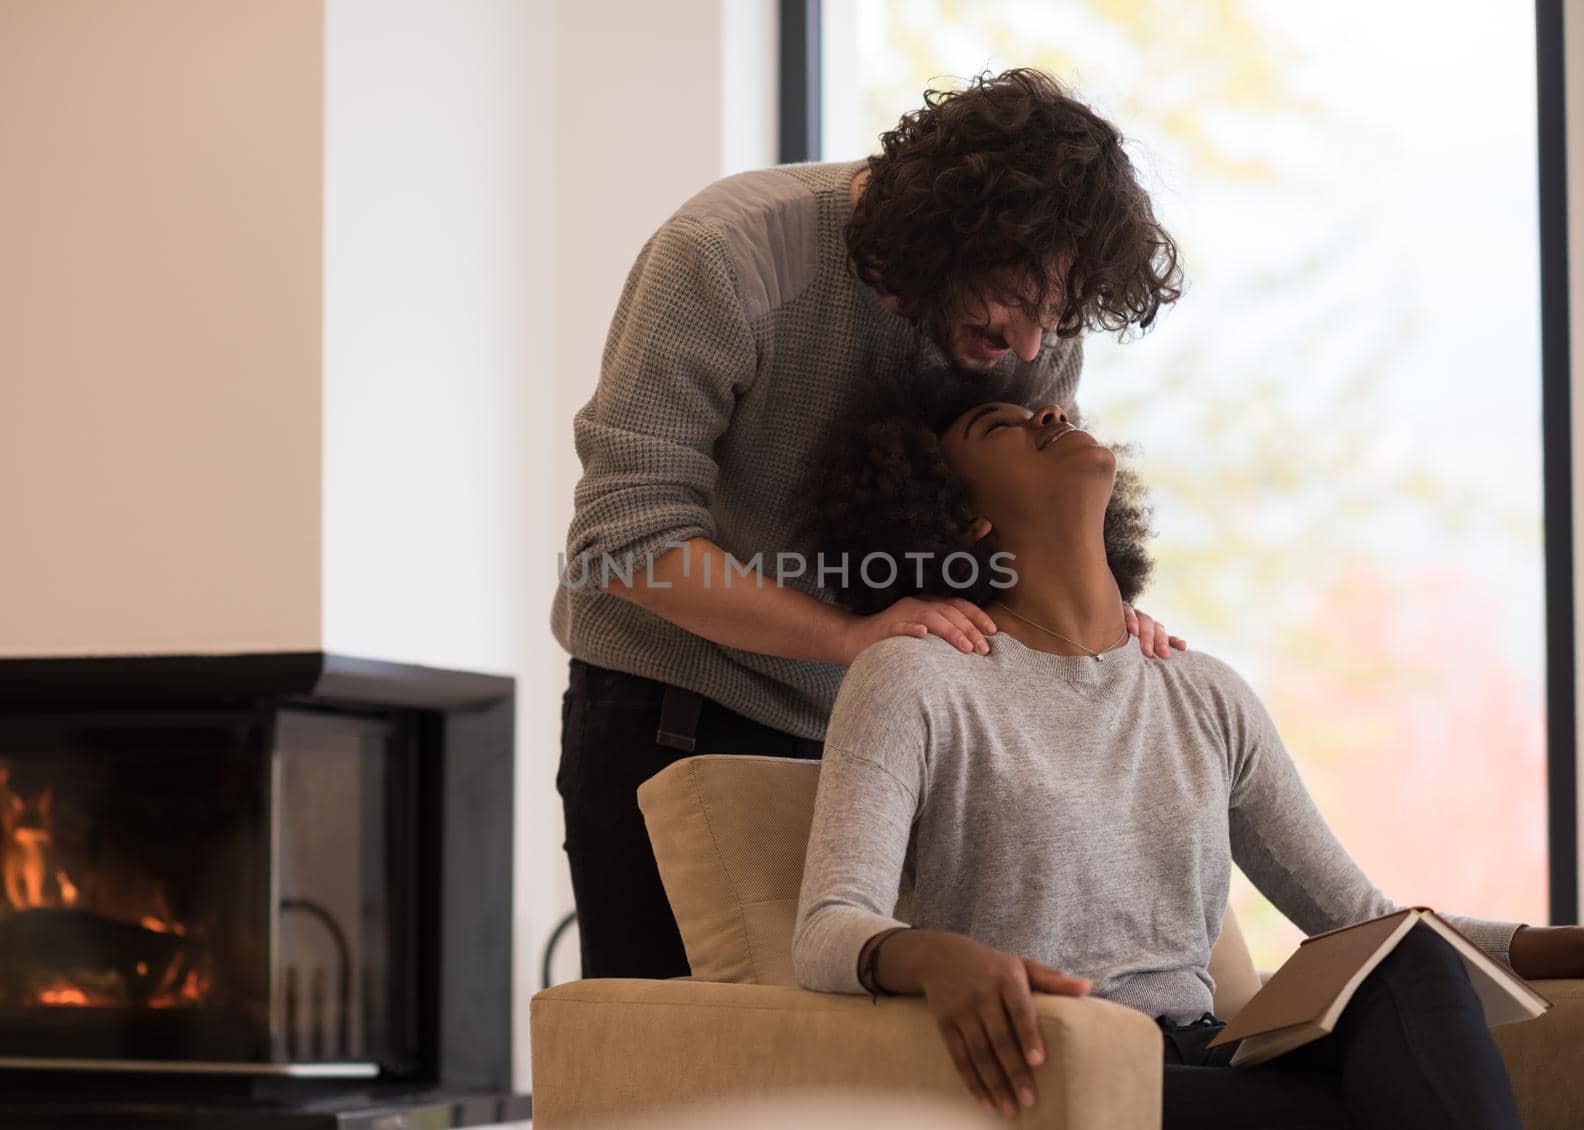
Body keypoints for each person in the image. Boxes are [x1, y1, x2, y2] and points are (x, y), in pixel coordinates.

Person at [792, 379, 1583, 1127]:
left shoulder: (1204, 692)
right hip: (1073, 1072)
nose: (1050, 418)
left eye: (1046, 411)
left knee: (1409, 963)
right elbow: (829, 926)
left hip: (1213, 1056)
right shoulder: (915, 675)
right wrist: (934, 959)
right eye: (1002, 426)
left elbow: (1365, 923)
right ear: (963, 518)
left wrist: (1567, 948)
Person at [553, 68, 1190, 979]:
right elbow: (621, 541)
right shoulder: (725, 255)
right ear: (946, 232)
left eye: (1060, 316)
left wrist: (1101, 634)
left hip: (886, 725)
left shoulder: (1039, 311)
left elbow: (1022, 533)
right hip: (677, 716)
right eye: (1018, 303)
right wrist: (849, 638)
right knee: (677, 1077)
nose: (1032, 349)